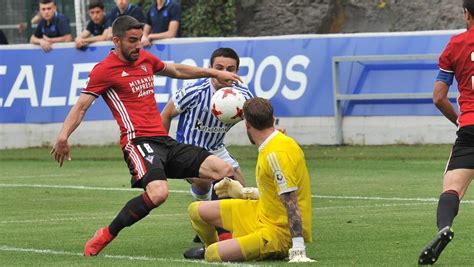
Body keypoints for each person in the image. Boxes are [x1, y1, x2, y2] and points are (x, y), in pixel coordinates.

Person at [50, 15, 243, 257]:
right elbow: (81, 107)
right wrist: (63, 136)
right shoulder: (103, 70)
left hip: (164, 141)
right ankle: (105, 235)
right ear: (116, 40)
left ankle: (225, 242)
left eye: (140, 39)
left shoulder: (143, 58)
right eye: (132, 40)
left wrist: (212, 73)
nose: (138, 45)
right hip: (137, 142)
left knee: (225, 172)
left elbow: (175, 69)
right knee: (159, 193)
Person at [183, 97, 314, 263]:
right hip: (260, 212)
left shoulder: (276, 153)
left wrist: (298, 248)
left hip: (278, 233)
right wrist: (245, 192)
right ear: (272, 120)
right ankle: (211, 246)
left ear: (247, 125)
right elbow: (275, 192)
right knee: (196, 210)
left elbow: (290, 200)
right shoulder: (272, 144)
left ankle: (213, 250)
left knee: (214, 254)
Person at [160, 47, 253, 241]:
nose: (224, 72)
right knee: (204, 181)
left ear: (236, 72)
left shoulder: (242, 95)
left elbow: (259, 119)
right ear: (210, 68)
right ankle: (207, 220)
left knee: (240, 190)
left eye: (230, 68)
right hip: (188, 148)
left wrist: (274, 131)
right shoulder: (195, 91)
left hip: (216, 148)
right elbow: (167, 113)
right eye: (219, 67)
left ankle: (222, 225)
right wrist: (162, 149)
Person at [418, 0, 474, 264]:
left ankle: (444, 228)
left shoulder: (455, 45)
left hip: (470, 128)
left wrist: (459, 121)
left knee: (452, 187)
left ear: (466, 13)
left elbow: (439, 97)